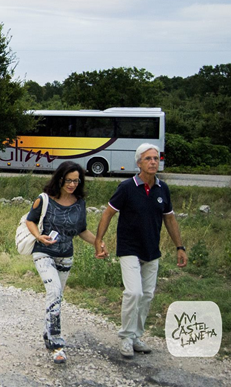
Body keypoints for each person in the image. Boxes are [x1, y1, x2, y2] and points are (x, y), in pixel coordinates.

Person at [94, 143, 188, 359]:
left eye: (156, 158)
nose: (153, 162)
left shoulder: (162, 188)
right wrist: (99, 240)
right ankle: (126, 337)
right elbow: (108, 213)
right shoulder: (127, 187)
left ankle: (136, 336)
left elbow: (170, 218)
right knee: (133, 292)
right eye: (148, 159)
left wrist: (179, 247)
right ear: (139, 163)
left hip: (151, 249)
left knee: (146, 295)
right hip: (129, 248)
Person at [25, 162, 106, 364]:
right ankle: (57, 344)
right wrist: (39, 236)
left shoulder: (79, 202)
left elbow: (81, 230)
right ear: (59, 179)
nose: (72, 184)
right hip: (43, 252)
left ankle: (47, 333)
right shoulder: (44, 199)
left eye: (76, 181)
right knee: (54, 292)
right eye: (68, 180)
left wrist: (98, 243)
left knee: (57, 296)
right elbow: (30, 220)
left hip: (66, 255)